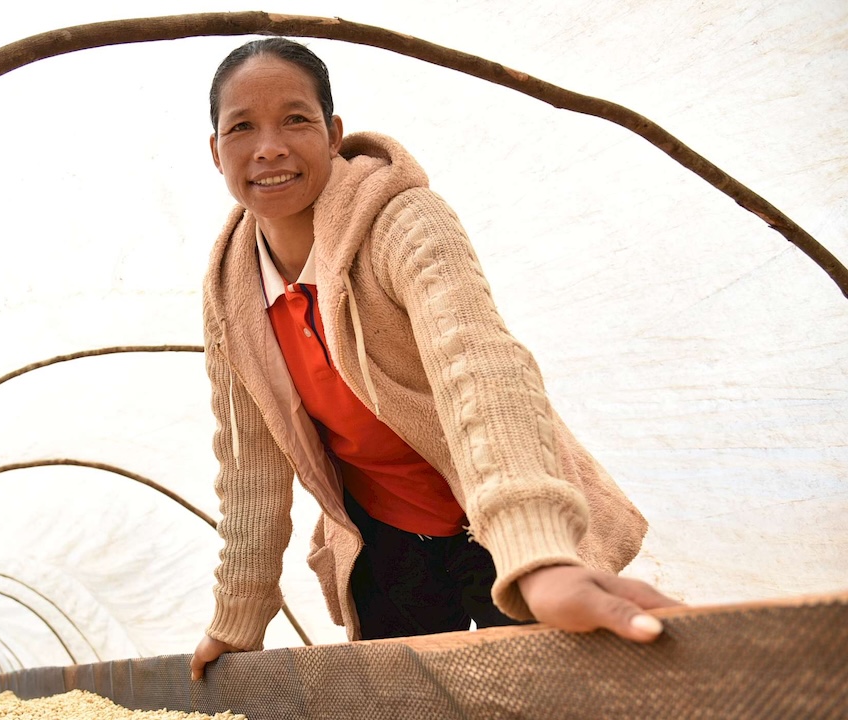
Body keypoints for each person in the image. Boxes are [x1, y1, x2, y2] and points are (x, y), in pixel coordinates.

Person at [189, 38, 679, 681]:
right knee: (410, 694)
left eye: (296, 120)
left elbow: (478, 366)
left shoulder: (401, 220)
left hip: (494, 517)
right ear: (216, 151)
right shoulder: (230, 285)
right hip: (384, 537)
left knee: (546, 685)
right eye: (242, 127)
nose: (270, 146)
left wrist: (537, 553)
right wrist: (237, 619)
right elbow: (250, 458)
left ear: (334, 134)